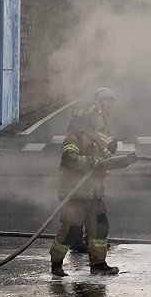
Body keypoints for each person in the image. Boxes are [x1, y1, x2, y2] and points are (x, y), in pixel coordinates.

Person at [50, 104, 129, 277]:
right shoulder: (74, 138)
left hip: (94, 194)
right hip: (76, 195)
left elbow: (103, 161)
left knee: (100, 229)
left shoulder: (96, 139)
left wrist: (120, 157)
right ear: (88, 118)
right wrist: (92, 161)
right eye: (97, 115)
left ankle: (98, 263)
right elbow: (68, 159)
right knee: (71, 231)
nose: (101, 118)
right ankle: (56, 264)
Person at [67, 87, 119, 254]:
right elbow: (92, 146)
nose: (110, 104)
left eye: (112, 101)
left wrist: (109, 150)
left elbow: (99, 146)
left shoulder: (97, 117)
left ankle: (81, 241)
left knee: (84, 208)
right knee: (91, 210)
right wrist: (104, 152)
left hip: (91, 171)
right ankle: (91, 245)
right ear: (99, 101)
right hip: (86, 171)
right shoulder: (95, 117)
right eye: (107, 100)